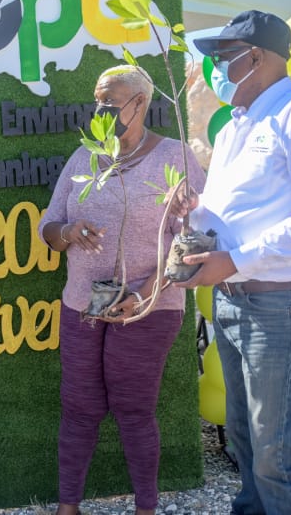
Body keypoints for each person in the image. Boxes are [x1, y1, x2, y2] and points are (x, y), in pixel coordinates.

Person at [175, 10, 291, 514]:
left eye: (222, 56)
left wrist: (235, 261)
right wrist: (192, 216)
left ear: (255, 56)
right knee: (247, 443)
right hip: (234, 304)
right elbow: (232, 213)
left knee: (276, 455)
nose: (215, 68)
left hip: (280, 308)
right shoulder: (236, 127)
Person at [38, 65, 206, 515]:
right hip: (81, 305)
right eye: (98, 102)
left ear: (141, 103)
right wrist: (69, 232)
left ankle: (145, 508)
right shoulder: (84, 158)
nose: (102, 110)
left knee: (133, 409)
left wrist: (145, 293)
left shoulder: (176, 157)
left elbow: (194, 240)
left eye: (111, 103)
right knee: (78, 407)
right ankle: (67, 506)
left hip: (149, 307)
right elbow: (47, 226)